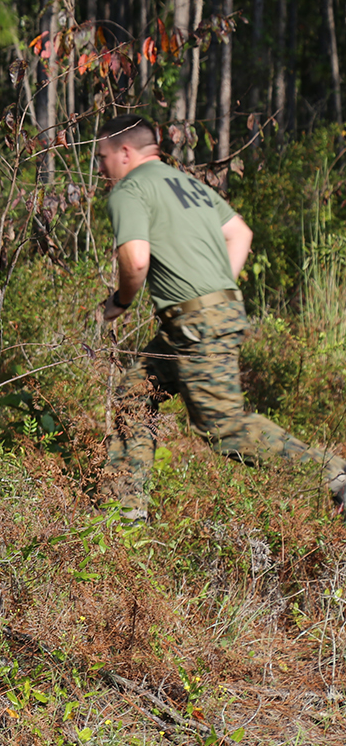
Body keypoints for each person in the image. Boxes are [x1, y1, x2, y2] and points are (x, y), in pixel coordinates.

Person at [95, 113, 346, 522]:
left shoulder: (129, 190)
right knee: (134, 394)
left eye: (103, 156)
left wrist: (121, 301)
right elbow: (241, 233)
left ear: (125, 152)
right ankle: (124, 512)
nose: (101, 167)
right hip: (208, 314)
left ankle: (334, 474)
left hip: (195, 322)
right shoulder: (188, 184)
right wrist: (212, 290)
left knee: (224, 428)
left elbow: (136, 261)